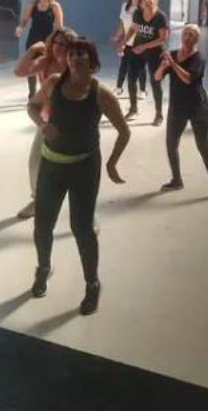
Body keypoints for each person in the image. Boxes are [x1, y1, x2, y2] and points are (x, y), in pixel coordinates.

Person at [27, 37, 130, 315]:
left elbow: (124, 131)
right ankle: (43, 268)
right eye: (71, 54)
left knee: (82, 228)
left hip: (84, 166)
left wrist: (112, 164)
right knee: (42, 225)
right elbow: (32, 106)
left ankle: (92, 283)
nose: (74, 58)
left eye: (81, 54)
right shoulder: (54, 83)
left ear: (92, 63)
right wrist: (42, 125)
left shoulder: (100, 94)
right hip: (52, 164)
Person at [156, 24, 208, 199]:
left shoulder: (199, 58)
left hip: (196, 106)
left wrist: (173, 64)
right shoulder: (172, 54)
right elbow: (157, 77)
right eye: (186, 34)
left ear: (196, 39)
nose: (187, 37)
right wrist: (163, 66)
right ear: (181, 36)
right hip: (177, 106)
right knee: (171, 143)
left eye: (192, 35)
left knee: (203, 146)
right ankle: (176, 179)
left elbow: (188, 79)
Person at [13, 28, 74, 220]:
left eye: (63, 44)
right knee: (35, 163)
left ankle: (87, 213)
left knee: (76, 170)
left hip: (74, 121)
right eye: (55, 43)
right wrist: (32, 50)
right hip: (48, 120)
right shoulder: (45, 62)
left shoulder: (76, 63)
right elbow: (19, 71)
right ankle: (37, 199)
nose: (58, 47)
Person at [123, 0, 169, 125]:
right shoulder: (138, 13)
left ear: (156, 1)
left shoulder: (160, 17)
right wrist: (123, 42)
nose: (147, 1)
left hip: (155, 52)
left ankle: (159, 115)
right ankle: (133, 108)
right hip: (138, 50)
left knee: (155, 82)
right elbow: (133, 29)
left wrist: (144, 46)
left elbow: (162, 39)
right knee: (131, 79)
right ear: (141, 2)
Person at [16, 0, 64, 99]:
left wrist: (59, 40)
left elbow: (59, 26)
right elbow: (25, 19)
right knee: (31, 66)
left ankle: (46, 93)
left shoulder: (55, 7)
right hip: (33, 40)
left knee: (45, 68)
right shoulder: (33, 5)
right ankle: (32, 94)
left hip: (47, 41)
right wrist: (20, 27)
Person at [112, 0, 146, 98]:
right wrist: (117, 36)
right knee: (124, 65)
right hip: (128, 41)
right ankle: (119, 87)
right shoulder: (124, 6)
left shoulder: (143, 8)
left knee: (140, 67)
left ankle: (142, 90)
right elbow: (122, 23)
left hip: (140, 42)